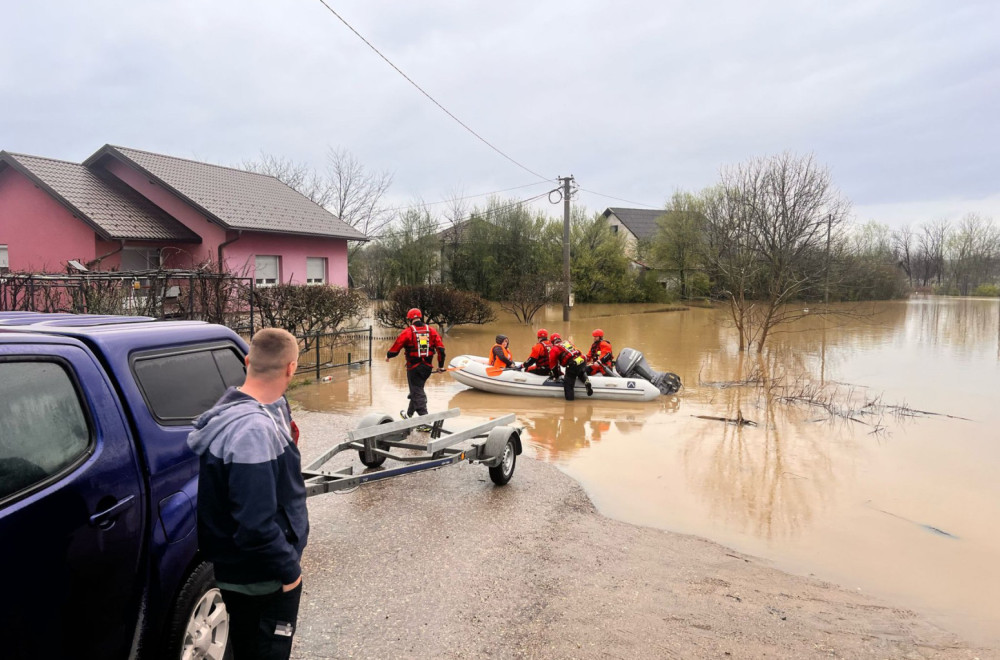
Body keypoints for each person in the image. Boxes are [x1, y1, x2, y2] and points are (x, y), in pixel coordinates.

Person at [187, 328, 308, 660]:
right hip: (263, 576)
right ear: (291, 368)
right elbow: (254, 523)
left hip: (241, 568)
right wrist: (290, 571)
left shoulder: (246, 410)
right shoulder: (253, 430)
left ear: (246, 360)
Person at [386, 307, 446, 419]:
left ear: (409, 319)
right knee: (417, 390)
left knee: (417, 392)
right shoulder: (432, 331)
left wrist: (388, 355)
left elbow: (396, 348)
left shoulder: (407, 332)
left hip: (413, 368)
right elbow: (441, 350)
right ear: (420, 317)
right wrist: (440, 366)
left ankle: (425, 421)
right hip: (427, 369)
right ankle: (409, 415)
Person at [548, 333, 593, 401]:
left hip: (572, 363)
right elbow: (577, 351)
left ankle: (570, 403)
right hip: (582, 359)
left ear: (552, 342)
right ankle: (586, 381)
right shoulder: (567, 342)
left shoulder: (554, 349)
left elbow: (553, 366)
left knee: (568, 385)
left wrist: (556, 376)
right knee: (580, 371)